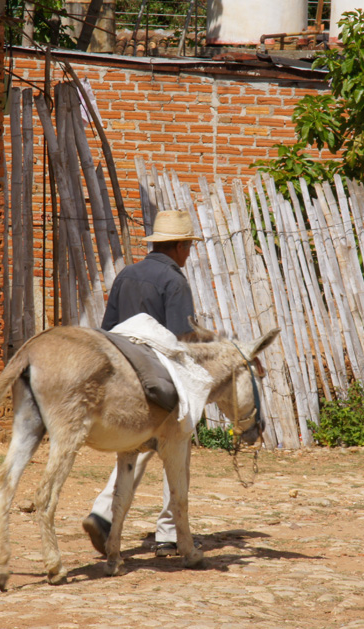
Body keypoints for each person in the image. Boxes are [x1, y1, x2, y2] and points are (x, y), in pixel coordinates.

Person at [83, 210, 203, 558]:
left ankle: (103, 513)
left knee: (134, 448)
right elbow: (181, 339)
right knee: (176, 448)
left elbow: (109, 330)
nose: (190, 252)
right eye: (188, 246)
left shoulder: (127, 275)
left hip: (122, 376)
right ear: (179, 247)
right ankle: (168, 533)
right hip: (158, 379)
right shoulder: (175, 282)